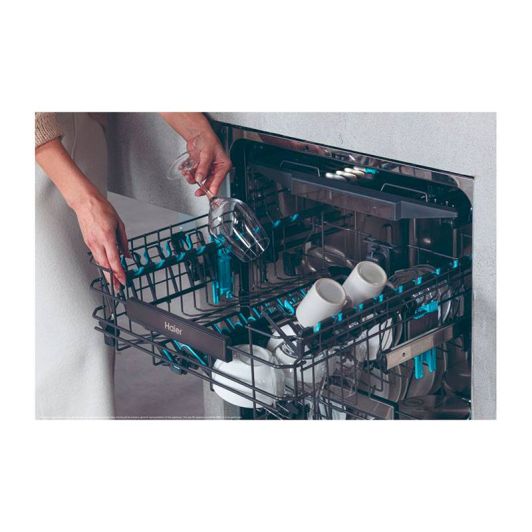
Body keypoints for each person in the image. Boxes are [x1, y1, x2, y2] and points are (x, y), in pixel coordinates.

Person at [35, 112, 232, 418]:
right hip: (42, 155)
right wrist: (85, 202)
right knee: (76, 349)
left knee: (85, 347)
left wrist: (195, 129)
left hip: (77, 141)